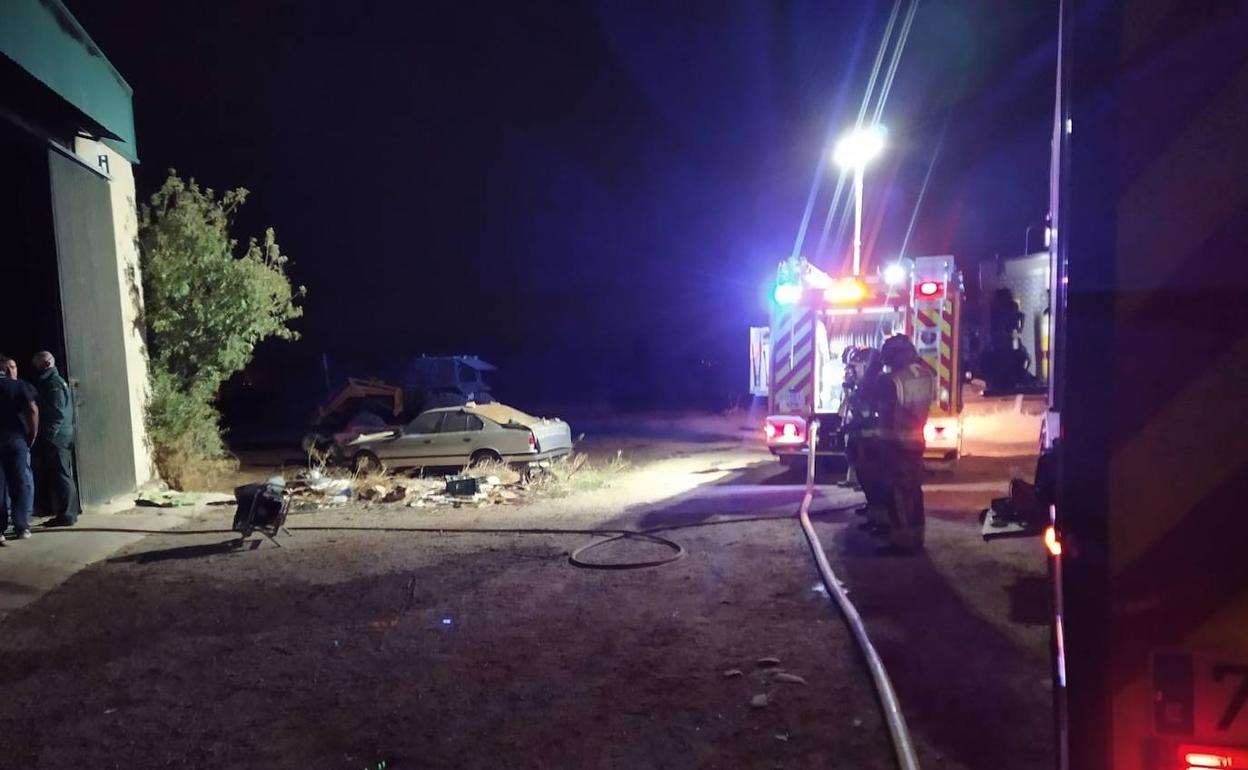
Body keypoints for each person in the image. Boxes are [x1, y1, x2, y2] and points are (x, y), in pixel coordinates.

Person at [860, 334, 934, 553]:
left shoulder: (890, 381)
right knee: (913, 491)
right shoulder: (925, 374)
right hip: (916, 441)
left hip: (895, 444)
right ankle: (916, 536)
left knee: (897, 493)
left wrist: (873, 366)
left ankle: (902, 542)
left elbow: (865, 394)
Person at [31, 351, 77, 526]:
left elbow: (57, 413)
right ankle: (68, 512)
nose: (35, 368)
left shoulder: (53, 384)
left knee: (62, 475)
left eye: (37, 364)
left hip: (58, 436)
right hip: (63, 433)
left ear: (46, 364)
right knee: (63, 474)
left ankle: (66, 515)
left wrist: (49, 434)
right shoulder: (55, 381)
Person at [0, 354, 39, 544]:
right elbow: (33, 409)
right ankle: (22, 525)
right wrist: (32, 433)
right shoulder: (20, 386)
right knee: (19, 482)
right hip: (16, 439)